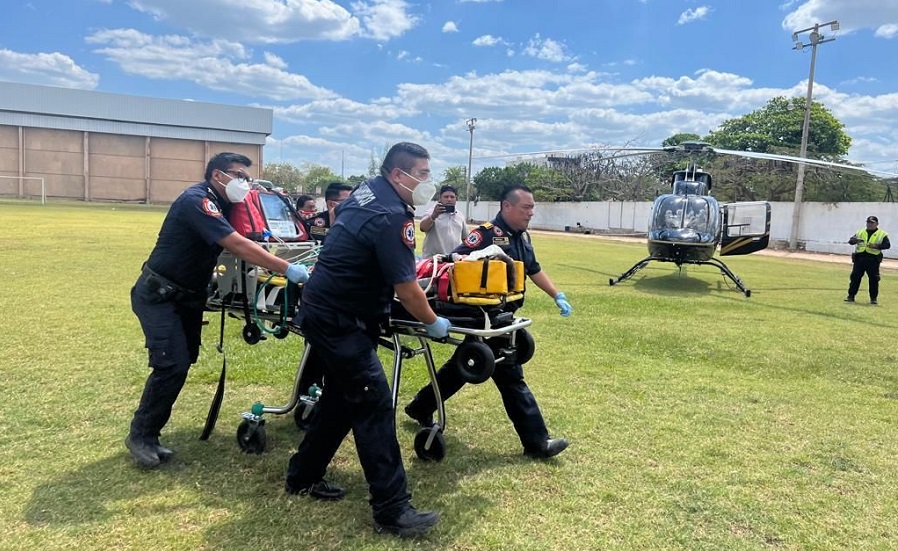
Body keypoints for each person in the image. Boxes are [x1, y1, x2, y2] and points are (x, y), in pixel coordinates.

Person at [285, 142, 448, 538]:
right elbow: (407, 288)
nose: (428, 182)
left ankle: (301, 476)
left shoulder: (367, 190)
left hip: (329, 309)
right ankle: (392, 510)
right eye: (423, 174)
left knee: (343, 399)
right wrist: (432, 321)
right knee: (373, 402)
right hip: (341, 319)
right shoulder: (391, 214)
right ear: (399, 175)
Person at [127, 152, 310, 470]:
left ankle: (149, 433)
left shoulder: (226, 202)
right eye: (238, 175)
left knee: (182, 362)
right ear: (216, 175)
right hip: (159, 296)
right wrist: (286, 268)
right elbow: (236, 244)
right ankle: (142, 435)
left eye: (247, 177)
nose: (244, 182)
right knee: (171, 364)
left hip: (189, 296)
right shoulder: (197, 200)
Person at [404, 184, 573, 459]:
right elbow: (456, 259)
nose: (531, 212)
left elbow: (533, 269)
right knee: (510, 375)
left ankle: (421, 405)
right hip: (486, 316)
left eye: (532, 207)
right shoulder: (485, 235)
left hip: (503, 314)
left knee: (466, 365)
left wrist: (557, 295)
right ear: (507, 207)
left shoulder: (523, 237)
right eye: (526, 207)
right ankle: (537, 442)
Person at [845, 215, 890, 305]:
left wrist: (876, 246)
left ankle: (873, 299)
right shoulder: (860, 231)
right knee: (855, 278)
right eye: (868, 223)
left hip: (873, 259)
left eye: (872, 223)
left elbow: (887, 245)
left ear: (877, 224)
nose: (870, 224)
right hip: (860, 259)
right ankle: (851, 296)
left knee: (873, 279)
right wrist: (855, 241)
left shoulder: (882, 234)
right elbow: (850, 241)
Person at [420, 185, 469, 257]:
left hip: (453, 260)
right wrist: (434, 216)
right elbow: (423, 228)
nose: (449, 199)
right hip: (434, 260)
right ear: (440, 198)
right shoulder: (431, 212)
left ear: (456, 199)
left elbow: (465, 238)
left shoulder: (460, 216)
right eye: (446, 197)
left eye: (452, 197)